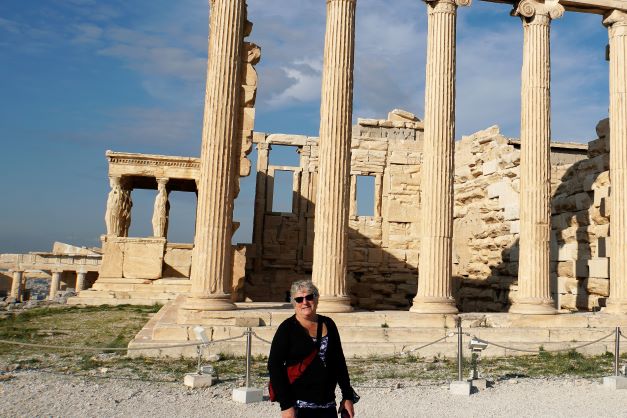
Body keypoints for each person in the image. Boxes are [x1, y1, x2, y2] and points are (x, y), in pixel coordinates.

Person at [268, 280, 357, 418]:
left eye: (309, 297)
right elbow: (274, 366)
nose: (305, 302)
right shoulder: (287, 329)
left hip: (327, 404)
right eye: (299, 299)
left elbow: (338, 362)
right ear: (293, 302)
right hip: (299, 405)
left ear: (316, 298)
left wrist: (347, 396)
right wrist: (286, 405)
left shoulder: (329, 324)